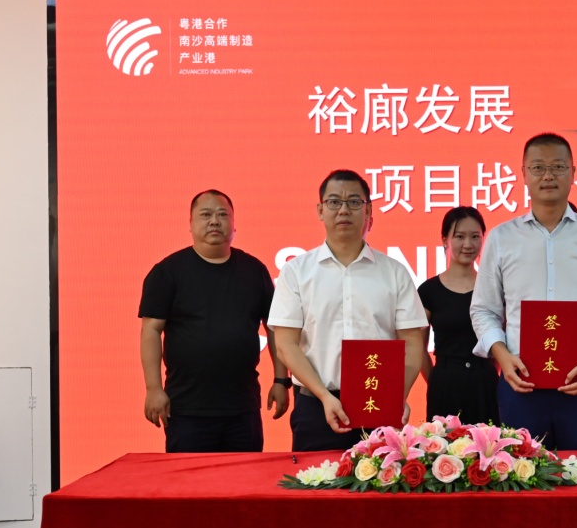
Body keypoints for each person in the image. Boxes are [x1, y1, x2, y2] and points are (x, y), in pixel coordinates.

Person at [470, 133, 577, 450]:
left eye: (558, 167)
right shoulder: (502, 238)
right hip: (522, 381)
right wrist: (502, 356)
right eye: (538, 167)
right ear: (523, 174)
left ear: (573, 172)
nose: (548, 176)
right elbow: (483, 310)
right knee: (520, 475)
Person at [268, 169, 427, 452]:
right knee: (315, 479)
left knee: (381, 480)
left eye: (354, 202)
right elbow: (285, 345)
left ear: (368, 211)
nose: (343, 210)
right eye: (334, 202)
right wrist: (324, 396)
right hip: (316, 405)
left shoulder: (394, 272)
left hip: (377, 404)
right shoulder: (296, 271)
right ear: (320, 210)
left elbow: (413, 343)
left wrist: (395, 396)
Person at [139, 190, 289, 453]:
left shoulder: (254, 270)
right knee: (190, 480)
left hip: (242, 408)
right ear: (190, 223)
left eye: (223, 215)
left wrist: (281, 380)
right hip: (186, 408)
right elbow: (151, 330)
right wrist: (153, 388)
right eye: (205, 215)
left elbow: (274, 327)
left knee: (245, 477)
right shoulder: (167, 272)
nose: (214, 221)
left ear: (234, 224)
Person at [418, 207, 500, 425]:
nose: (468, 244)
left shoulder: (493, 287)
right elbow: (418, 348)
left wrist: (489, 371)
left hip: (485, 383)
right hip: (445, 384)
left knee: (489, 444)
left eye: (475, 237)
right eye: (460, 236)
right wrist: (437, 379)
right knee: (442, 445)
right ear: (445, 240)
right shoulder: (428, 291)